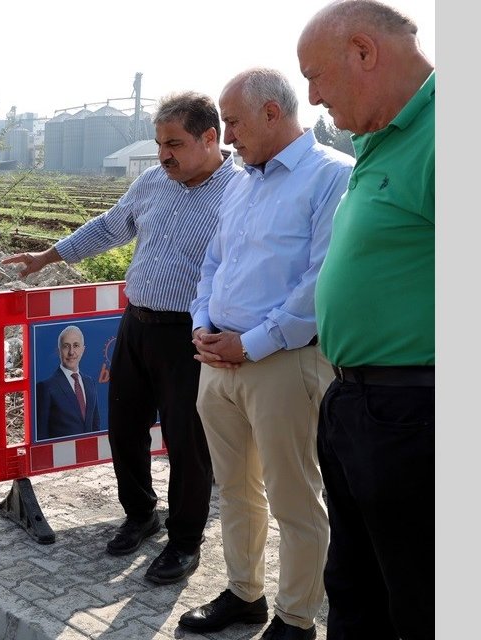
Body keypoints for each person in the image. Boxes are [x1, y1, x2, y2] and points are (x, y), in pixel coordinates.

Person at [2, 91, 241, 585]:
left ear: (210, 138)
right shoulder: (154, 182)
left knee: (187, 443)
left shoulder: (241, 191)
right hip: (136, 325)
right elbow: (111, 226)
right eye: (159, 143)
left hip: (192, 335)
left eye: (173, 143)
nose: (162, 155)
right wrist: (46, 258)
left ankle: (184, 541)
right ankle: (140, 514)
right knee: (123, 426)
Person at [179, 68, 353, 640]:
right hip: (218, 362)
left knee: (294, 497)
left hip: (282, 363)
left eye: (233, 122)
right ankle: (244, 594)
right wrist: (204, 324)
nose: (226, 136)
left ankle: (297, 617)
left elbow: (320, 280)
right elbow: (214, 264)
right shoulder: (241, 182)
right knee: (233, 490)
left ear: (273, 114)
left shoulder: (331, 177)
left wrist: (250, 343)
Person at [296, 3, 434, 639]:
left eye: (316, 77)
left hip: (415, 413)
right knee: (354, 588)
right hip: (356, 401)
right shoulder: (380, 139)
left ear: (363, 52)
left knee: (421, 598)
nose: (314, 97)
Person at [33, 324, 101, 440]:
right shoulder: (46, 387)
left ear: (83, 350)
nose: (71, 352)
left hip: (88, 453)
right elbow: (41, 433)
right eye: (66, 346)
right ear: (58, 351)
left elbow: (95, 425)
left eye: (76, 346)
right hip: (61, 455)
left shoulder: (90, 383)